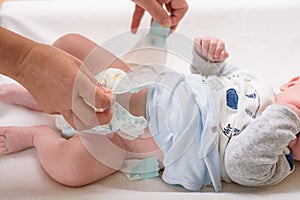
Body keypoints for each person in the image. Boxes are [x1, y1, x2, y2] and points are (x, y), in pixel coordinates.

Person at [0, 33, 299, 192]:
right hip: (144, 88)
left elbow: (239, 163)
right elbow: (208, 78)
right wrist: (208, 57)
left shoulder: (276, 164)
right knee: (70, 45)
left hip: (131, 142)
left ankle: (38, 137)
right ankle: (41, 95)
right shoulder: (257, 85)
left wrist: (286, 113)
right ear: (292, 82)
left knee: (70, 169)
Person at [0, 0, 188, 130]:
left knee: (78, 158)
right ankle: (44, 92)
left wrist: (35, 138)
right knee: (69, 44)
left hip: (122, 127)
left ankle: (45, 106)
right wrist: (25, 62)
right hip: (144, 81)